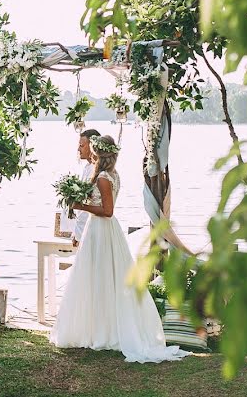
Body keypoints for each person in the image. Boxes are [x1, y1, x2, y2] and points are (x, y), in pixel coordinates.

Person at [51, 135, 188, 363]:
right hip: (97, 231)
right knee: (96, 278)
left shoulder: (105, 178)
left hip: (102, 230)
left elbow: (107, 211)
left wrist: (80, 205)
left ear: (100, 154)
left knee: (104, 278)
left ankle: (106, 332)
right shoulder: (109, 175)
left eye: (94, 151)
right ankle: (97, 328)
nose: (91, 154)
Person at [71, 128, 100, 248]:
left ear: (92, 146)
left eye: (82, 146)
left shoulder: (98, 172)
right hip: (82, 230)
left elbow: (92, 202)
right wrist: (76, 232)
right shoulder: (87, 168)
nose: (78, 149)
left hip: (92, 232)